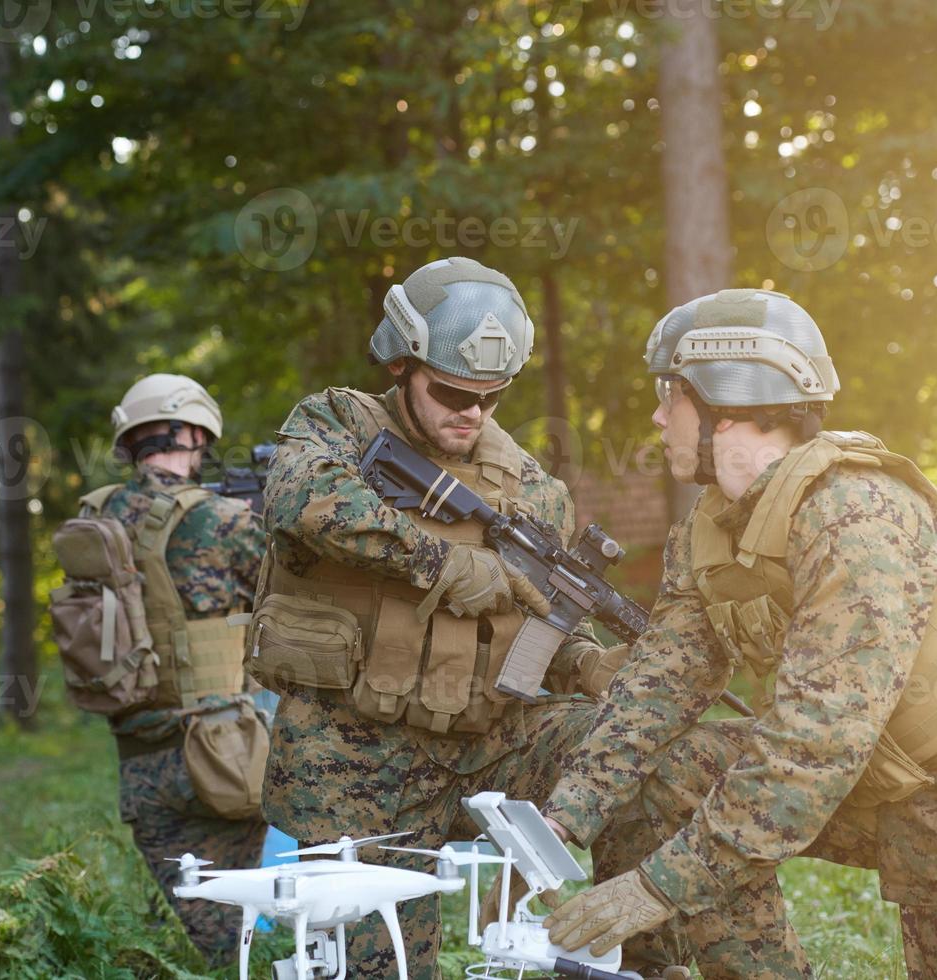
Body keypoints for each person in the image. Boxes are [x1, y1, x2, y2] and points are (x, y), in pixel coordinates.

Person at [541, 288, 937, 979]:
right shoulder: (712, 530)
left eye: (669, 393)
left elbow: (815, 740)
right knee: (681, 768)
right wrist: (557, 826)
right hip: (897, 788)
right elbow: (655, 689)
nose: (656, 414)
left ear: (724, 401)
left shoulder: (857, 517)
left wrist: (658, 887)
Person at [256, 257, 707, 978]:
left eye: (493, 398)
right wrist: (444, 564)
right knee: (383, 968)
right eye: (452, 391)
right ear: (401, 364)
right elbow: (300, 499)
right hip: (354, 757)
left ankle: (642, 959)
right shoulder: (335, 422)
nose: (472, 411)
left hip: (488, 746)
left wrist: (585, 661)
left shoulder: (531, 488)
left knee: (635, 749)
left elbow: (536, 626)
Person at [78, 373, 268, 960]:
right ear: (191, 432)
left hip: (140, 758)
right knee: (225, 945)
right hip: (220, 756)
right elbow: (292, 596)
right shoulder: (223, 521)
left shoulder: (95, 518)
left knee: (180, 931)